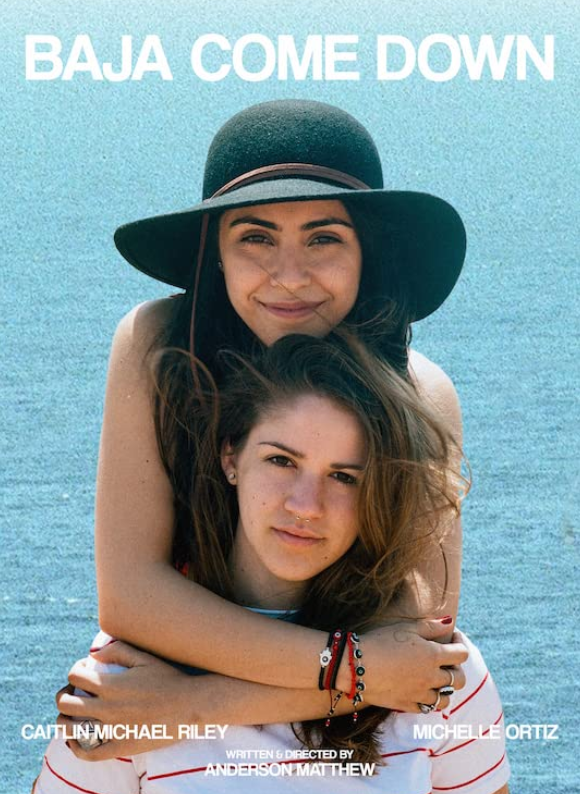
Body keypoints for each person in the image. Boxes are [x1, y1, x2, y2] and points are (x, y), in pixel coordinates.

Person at [54, 99, 469, 758]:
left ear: (367, 251)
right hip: (173, 678)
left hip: (336, 734)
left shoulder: (421, 396)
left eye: (324, 238)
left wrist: (189, 707)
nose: (290, 276)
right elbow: (131, 598)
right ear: (216, 253)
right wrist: (351, 668)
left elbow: (418, 657)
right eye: (256, 237)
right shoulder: (158, 345)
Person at [34, 334, 510, 792]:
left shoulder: (436, 675)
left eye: (344, 477)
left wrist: (198, 706)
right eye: (281, 461)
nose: (306, 505)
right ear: (231, 456)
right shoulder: (127, 688)